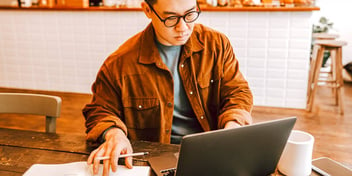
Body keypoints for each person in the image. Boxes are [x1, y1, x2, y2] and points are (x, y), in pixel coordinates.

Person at [83, 0, 253, 175]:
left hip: (212, 151)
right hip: (154, 157)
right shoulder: (119, 63)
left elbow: (237, 91)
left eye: (190, 14)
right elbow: (100, 111)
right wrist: (114, 134)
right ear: (147, 10)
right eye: (171, 18)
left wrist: (233, 127)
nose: (183, 27)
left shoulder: (216, 44)